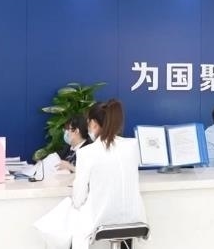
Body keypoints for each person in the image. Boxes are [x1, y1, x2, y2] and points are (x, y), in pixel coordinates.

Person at [35, 99, 145, 249]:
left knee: (65, 221)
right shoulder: (131, 146)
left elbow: (78, 198)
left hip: (100, 222)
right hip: (134, 219)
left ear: (93, 123)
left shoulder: (87, 152)